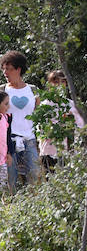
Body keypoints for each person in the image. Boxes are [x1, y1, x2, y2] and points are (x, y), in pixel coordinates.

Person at [2, 50, 42, 190]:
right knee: (10, 182)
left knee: (35, 178)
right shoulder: (2, 91)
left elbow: (40, 115)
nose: (5, 73)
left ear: (18, 69)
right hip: (9, 142)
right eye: (4, 69)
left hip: (29, 140)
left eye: (9, 69)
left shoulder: (33, 90)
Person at [37, 69, 86, 173]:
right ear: (50, 84)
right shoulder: (45, 105)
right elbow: (40, 129)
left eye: (62, 82)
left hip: (65, 150)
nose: (59, 85)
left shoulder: (70, 104)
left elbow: (81, 125)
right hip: (48, 150)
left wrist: (76, 146)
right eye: (56, 82)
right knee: (51, 179)